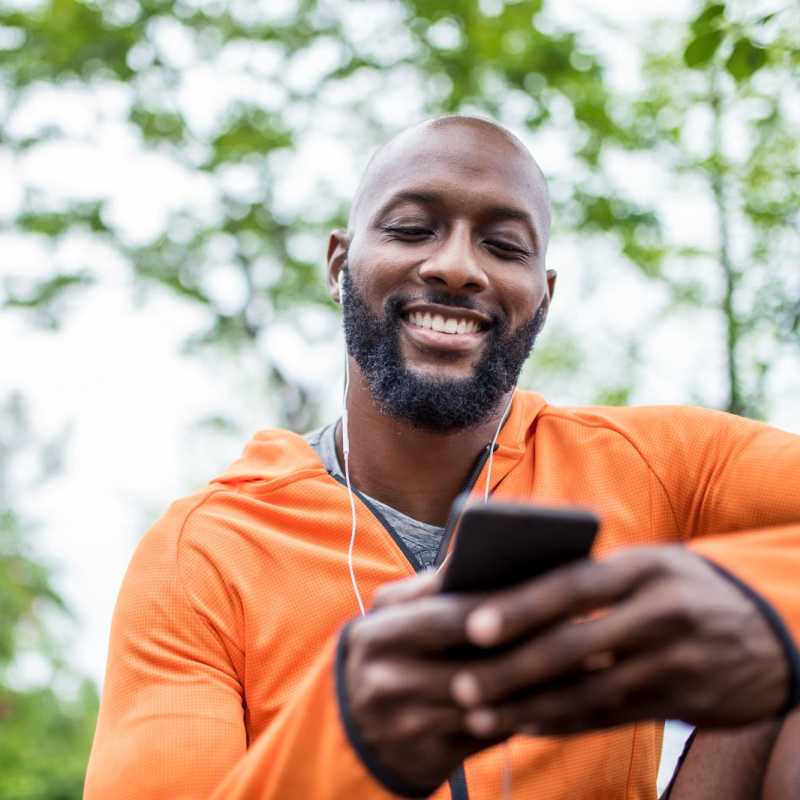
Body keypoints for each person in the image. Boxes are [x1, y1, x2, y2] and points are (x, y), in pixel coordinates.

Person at [83, 116, 800, 799]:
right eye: (411, 229)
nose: (457, 267)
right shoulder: (203, 555)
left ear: (542, 299)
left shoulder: (658, 465)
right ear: (340, 265)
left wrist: (765, 606)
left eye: (505, 246)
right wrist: (350, 743)